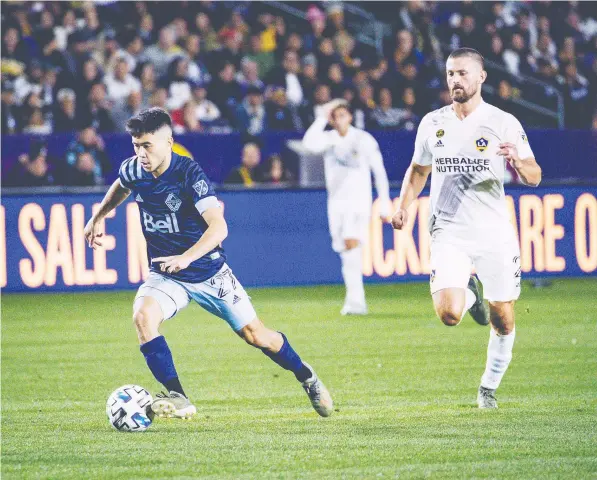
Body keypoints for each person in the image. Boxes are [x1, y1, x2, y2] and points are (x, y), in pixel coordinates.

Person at [83, 108, 333, 419]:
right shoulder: (134, 169)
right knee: (143, 317)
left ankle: (306, 376)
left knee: (257, 336)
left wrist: (186, 257)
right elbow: (122, 184)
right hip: (167, 275)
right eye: (136, 145)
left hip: (209, 272)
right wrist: (98, 216)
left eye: (147, 145)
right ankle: (178, 396)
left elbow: (219, 227)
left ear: (168, 142)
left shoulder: (189, 174)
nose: (141, 153)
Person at [391, 48, 541, 409]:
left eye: (462, 73)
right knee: (448, 314)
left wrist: (518, 163)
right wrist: (403, 206)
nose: (455, 80)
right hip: (448, 230)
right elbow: (419, 170)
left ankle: (488, 387)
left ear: (481, 77)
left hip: (493, 233)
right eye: (450, 73)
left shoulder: (502, 122)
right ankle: (468, 296)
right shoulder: (433, 122)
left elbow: (535, 176)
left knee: (503, 318)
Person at [302, 100, 391, 315]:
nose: (339, 119)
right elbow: (308, 144)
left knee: (351, 244)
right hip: (336, 203)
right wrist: (321, 117)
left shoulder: (363, 139)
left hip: (358, 201)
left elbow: (379, 171)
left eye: (343, 115)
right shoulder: (328, 140)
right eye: (336, 116)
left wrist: (385, 202)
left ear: (350, 117)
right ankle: (354, 300)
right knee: (345, 249)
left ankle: (356, 302)